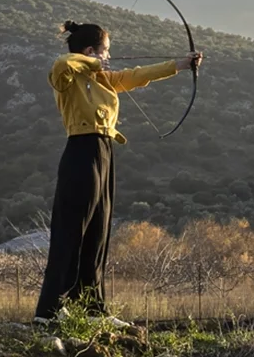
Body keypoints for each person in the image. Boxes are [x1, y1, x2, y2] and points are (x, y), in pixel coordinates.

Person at [33, 20, 202, 325]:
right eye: (106, 51)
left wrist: (180, 64)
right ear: (89, 51)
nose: (109, 57)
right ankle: (48, 312)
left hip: (104, 151)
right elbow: (62, 63)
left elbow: (138, 76)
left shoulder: (103, 80)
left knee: (98, 232)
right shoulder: (68, 74)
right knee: (71, 230)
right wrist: (92, 61)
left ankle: (92, 309)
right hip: (81, 151)